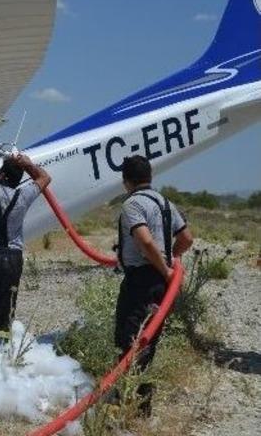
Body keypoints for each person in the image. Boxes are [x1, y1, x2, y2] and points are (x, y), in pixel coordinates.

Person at [114, 155, 193, 417]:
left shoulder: (132, 205)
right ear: (149, 176)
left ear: (126, 181)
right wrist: (171, 261)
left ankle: (129, 406)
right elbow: (186, 238)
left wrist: (165, 269)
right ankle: (140, 406)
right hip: (160, 284)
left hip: (142, 282)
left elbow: (146, 243)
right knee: (148, 341)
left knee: (130, 340)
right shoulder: (165, 202)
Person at [0, 148, 51, 339]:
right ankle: (2, 356)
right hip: (12, 260)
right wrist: (27, 163)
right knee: (4, 315)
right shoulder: (23, 196)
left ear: (1, 175)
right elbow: (45, 178)